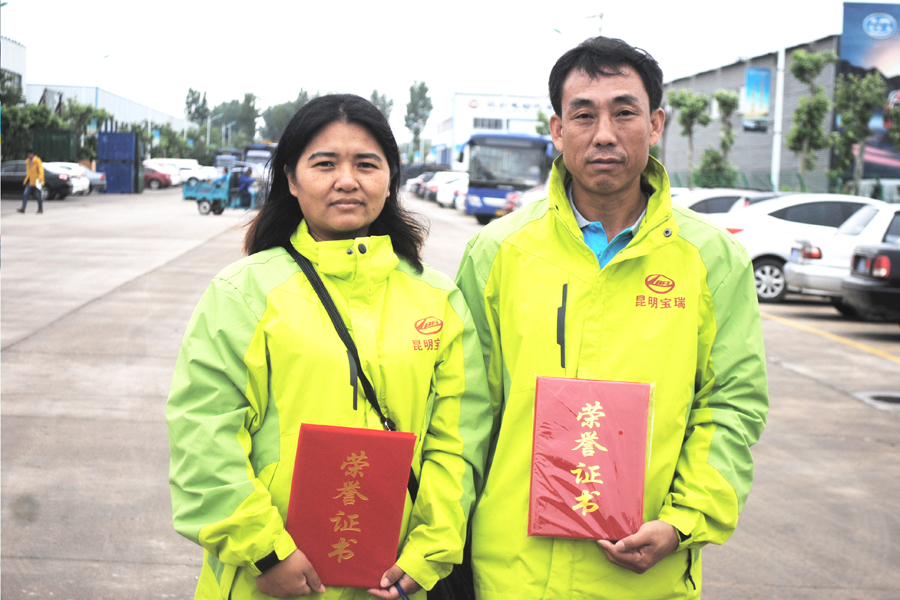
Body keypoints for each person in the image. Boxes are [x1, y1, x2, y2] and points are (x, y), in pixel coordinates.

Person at [455, 36, 769, 599]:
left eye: (624, 112)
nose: (604, 133)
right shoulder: (498, 251)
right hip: (509, 572)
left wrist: (683, 522)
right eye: (584, 115)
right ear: (557, 130)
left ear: (655, 124)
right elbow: (463, 412)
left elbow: (731, 406)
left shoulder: (712, 260)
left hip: (646, 578)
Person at [167, 94, 491, 600]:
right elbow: (202, 433)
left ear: (390, 179)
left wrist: (430, 549)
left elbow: (458, 441)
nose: (347, 180)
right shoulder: (243, 293)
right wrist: (265, 552)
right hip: (268, 581)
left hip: (395, 581)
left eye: (366, 164)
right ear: (292, 180)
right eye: (324, 164)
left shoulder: (439, 299)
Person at [18, 148, 45, 214]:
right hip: (30, 181)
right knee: (25, 194)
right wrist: (26, 180)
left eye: (30, 154)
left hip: (37, 181)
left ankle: (40, 209)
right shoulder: (27, 161)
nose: (29, 156)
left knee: (38, 196)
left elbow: (41, 170)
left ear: (32, 154)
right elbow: (28, 172)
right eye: (28, 155)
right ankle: (23, 208)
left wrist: (40, 178)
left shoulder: (37, 161)